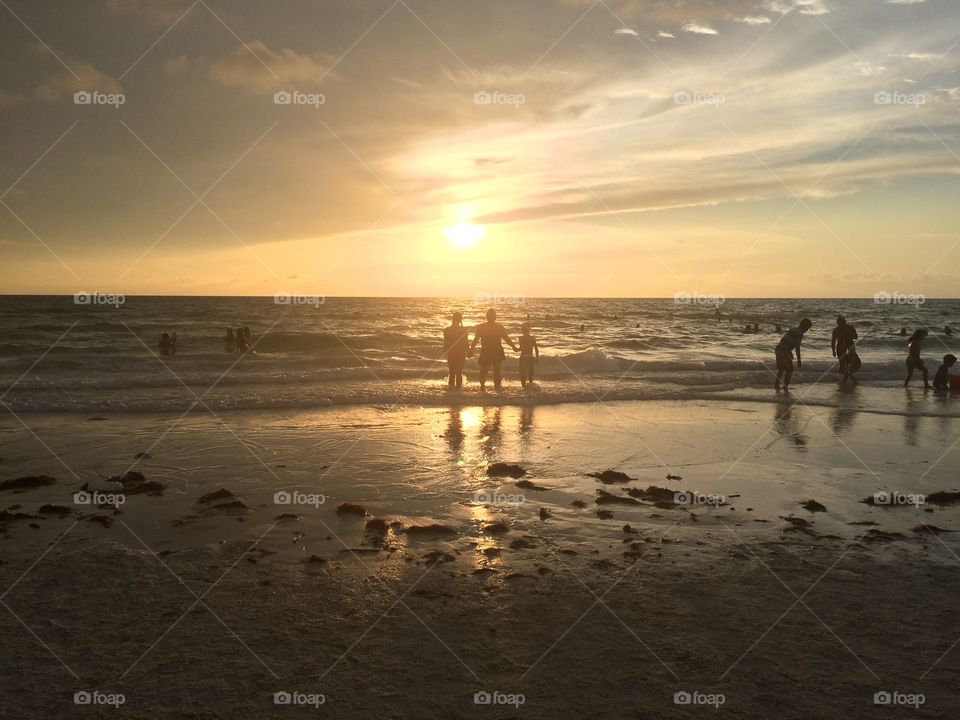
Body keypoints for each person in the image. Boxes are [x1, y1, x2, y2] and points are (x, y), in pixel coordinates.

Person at [470, 308, 518, 390]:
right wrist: (513, 347)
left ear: (486, 317)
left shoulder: (482, 327)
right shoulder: (499, 327)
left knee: (484, 372)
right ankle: (496, 390)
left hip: (488, 351)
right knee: (496, 373)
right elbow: (507, 339)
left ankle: (483, 389)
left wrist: (471, 349)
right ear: (495, 317)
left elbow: (475, 340)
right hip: (495, 351)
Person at [774, 318, 812, 391]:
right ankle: (785, 386)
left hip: (779, 350)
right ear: (805, 327)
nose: (807, 330)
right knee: (790, 369)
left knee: (781, 369)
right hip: (783, 352)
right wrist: (799, 360)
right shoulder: (799, 334)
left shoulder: (793, 329)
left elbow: (787, 341)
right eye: (807, 328)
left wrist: (789, 352)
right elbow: (797, 348)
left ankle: (777, 385)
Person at [442, 312, 471, 388]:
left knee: (452, 372)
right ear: (460, 320)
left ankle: (451, 392)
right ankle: (458, 391)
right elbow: (466, 343)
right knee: (459, 373)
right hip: (461, 353)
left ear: (453, 319)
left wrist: (445, 351)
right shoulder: (464, 330)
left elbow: (445, 344)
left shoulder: (447, 330)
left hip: (451, 353)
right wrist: (469, 352)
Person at [831, 316, 859, 383]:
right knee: (842, 366)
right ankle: (847, 379)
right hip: (840, 349)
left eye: (842, 324)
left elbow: (856, 337)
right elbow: (833, 341)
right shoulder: (836, 330)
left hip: (850, 347)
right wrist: (833, 351)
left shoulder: (850, 327)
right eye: (839, 324)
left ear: (845, 322)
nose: (841, 326)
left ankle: (845, 380)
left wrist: (849, 336)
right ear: (837, 324)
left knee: (850, 364)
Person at [518, 323, 539, 388]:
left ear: (523, 330)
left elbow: (521, 348)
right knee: (530, 374)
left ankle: (523, 387)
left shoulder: (520, 338)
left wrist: (515, 349)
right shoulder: (532, 338)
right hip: (530, 357)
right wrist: (537, 358)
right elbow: (536, 349)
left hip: (523, 357)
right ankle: (530, 387)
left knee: (522, 374)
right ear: (529, 329)